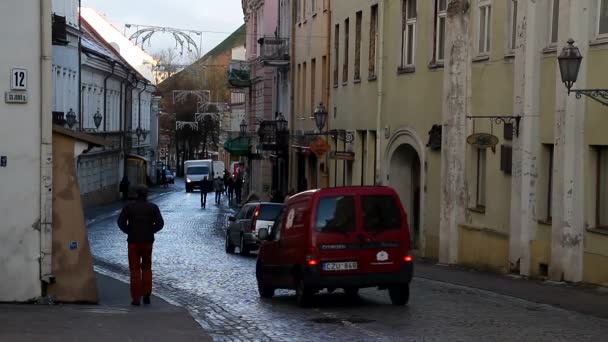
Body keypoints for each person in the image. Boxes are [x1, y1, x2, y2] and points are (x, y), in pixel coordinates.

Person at [117, 185, 164, 306]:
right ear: (147, 194)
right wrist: (151, 230)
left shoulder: (129, 207)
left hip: (133, 241)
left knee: (135, 270)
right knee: (147, 267)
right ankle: (147, 294)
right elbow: (160, 223)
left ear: (137, 194)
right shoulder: (153, 207)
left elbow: (120, 222)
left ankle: (136, 298)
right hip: (147, 241)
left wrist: (129, 231)